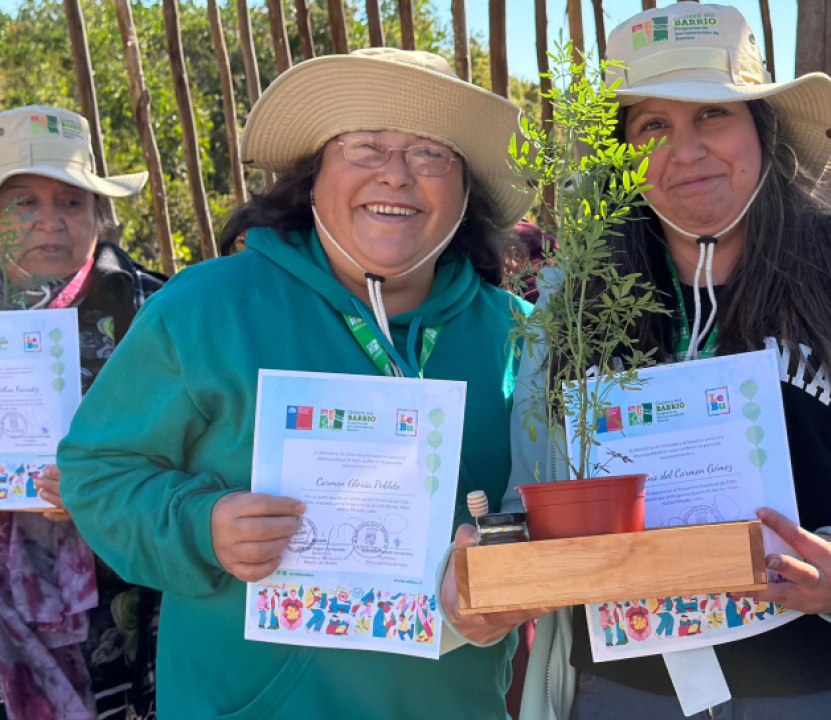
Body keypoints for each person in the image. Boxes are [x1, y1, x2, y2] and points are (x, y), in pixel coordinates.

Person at [507, 5, 831, 720]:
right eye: (652, 126)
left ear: (763, 129)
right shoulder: (572, 304)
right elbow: (530, 499)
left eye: (713, 114)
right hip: (627, 697)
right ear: (621, 154)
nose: (685, 149)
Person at [57, 48, 547, 719]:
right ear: (313, 176)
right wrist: (203, 525)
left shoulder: (521, 337)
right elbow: (97, 472)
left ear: (465, 191)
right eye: (365, 146)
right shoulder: (205, 310)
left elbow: (555, 511)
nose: (396, 174)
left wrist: (505, 578)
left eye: (430, 154)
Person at [0, 105, 165, 720]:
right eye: (23, 202)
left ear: (98, 213)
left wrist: (106, 484)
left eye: (72, 201)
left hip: (112, 643)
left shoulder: (150, 305)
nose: (51, 221)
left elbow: (205, 445)